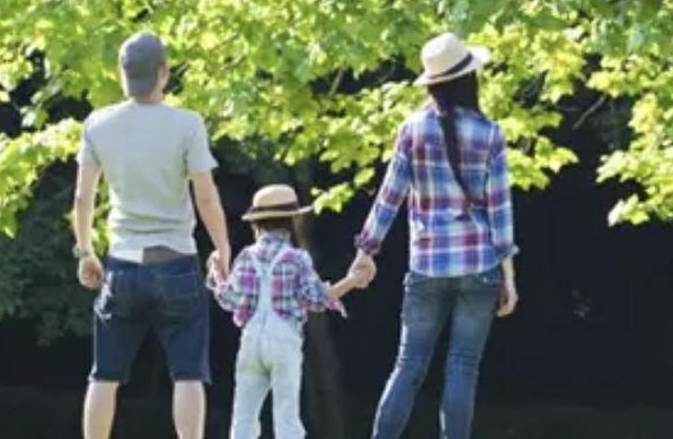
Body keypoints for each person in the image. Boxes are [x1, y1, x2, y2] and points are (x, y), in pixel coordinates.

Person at [353, 32, 520, 439]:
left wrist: (366, 249)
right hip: (479, 265)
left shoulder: (412, 129)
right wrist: (509, 277)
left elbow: (390, 195)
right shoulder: (490, 132)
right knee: (463, 365)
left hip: (426, 264)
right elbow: (500, 210)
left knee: (409, 363)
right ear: (469, 80)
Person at [71, 31, 233, 439]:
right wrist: (223, 247)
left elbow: (83, 194)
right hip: (176, 260)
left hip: (122, 263)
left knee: (104, 374)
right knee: (188, 373)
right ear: (164, 72)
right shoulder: (187, 123)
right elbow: (206, 195)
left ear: (121, 73)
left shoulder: (98, 124)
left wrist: (86, 251)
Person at [211, 184, 377, 439]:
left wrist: (216, 274)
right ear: (292, 222)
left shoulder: (246, 256)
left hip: (251, 340)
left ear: (258, 223)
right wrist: (353, 280)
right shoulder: (296, 258)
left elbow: (230, 299)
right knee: (286, 416)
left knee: (243, 418)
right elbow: (317, 298)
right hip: (284, 341)